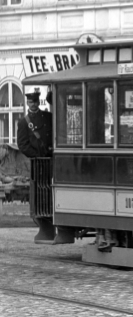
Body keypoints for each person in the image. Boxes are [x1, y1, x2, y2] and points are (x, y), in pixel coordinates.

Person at [16, 88, 67, 244]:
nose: (33, 104)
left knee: (55, 191)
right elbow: (23, 145)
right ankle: (45, 226)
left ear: (39, 102)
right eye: (30, 102)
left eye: (35, 101)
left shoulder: (48, 117)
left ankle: (58, 224)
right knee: (41, 196)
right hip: (38, 164)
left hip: (52, 161)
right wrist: (37, 155)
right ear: (27, 103)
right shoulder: (24, 122)